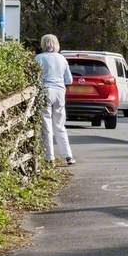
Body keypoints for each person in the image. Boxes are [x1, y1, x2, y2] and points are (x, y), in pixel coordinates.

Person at [36, 34, 75, 166]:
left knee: (46, 125)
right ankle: (68, 156)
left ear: (43, 44)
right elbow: (69, 80)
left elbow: (35, 78)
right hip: (59, 92)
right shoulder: (62, 59)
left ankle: (49, 158)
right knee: (60, 125)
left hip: (46, 90)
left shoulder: (39, 58)